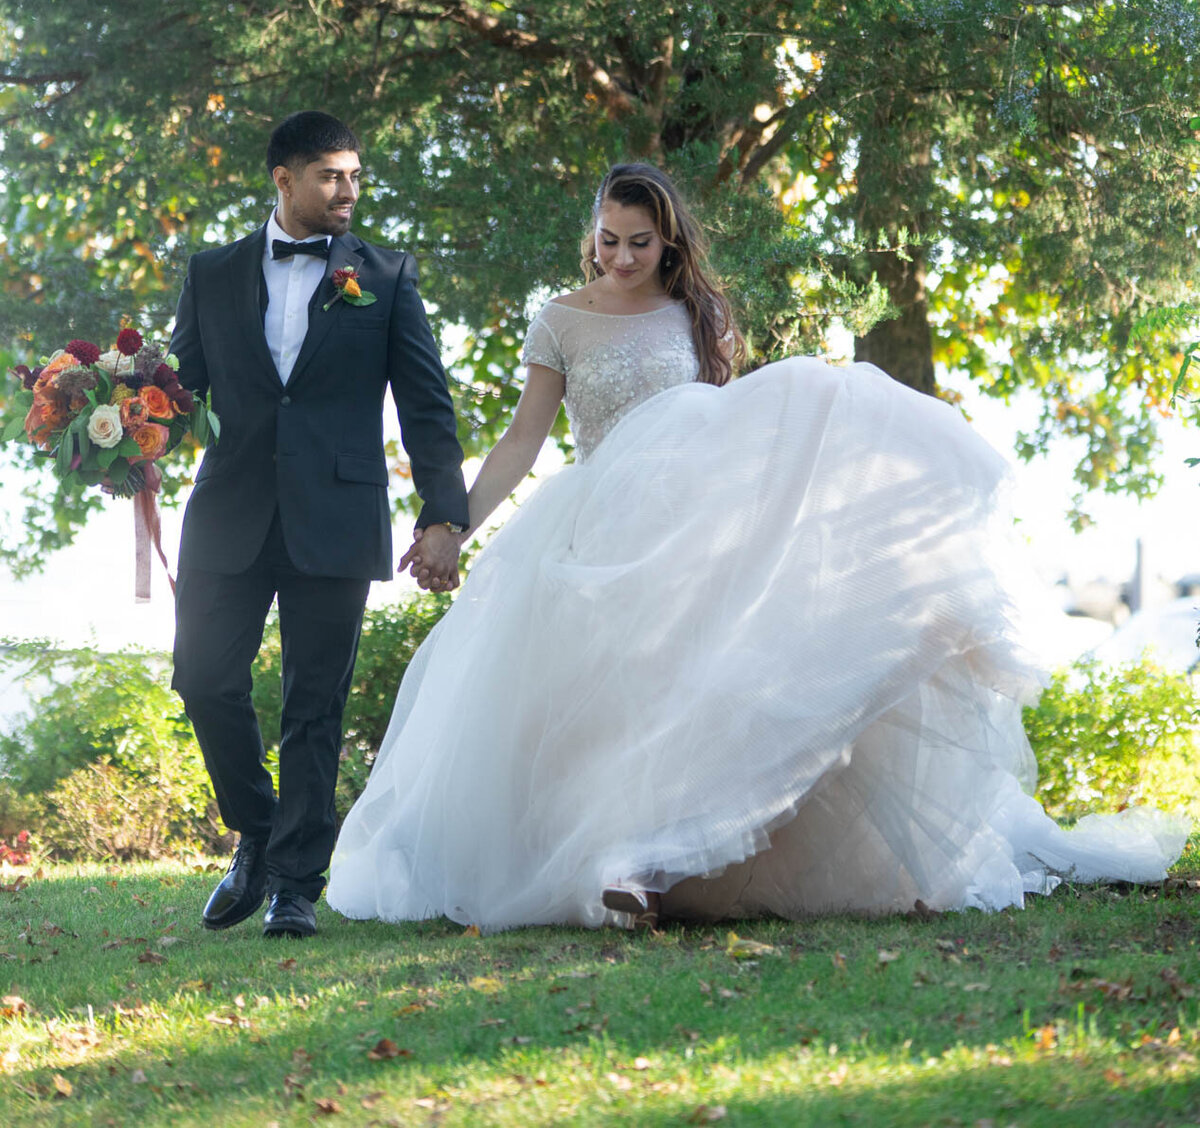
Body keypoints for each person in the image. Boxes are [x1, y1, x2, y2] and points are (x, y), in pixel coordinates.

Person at [327, 163, 1187, 930]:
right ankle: (623, 860)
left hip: (693, 525)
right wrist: (452, 527)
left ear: (669, 243)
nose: (621, 258)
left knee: (697, 687)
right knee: (614, 698)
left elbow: (731, 425)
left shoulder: (692, 312)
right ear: (590, 236)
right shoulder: (561, 320)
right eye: (608, 241)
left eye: (640, 243)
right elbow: (522, 439)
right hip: (599, 523)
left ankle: (653, 860)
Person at [169, 110, 469, 938]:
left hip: (337, 514)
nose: (348, 191)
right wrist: (114, 429)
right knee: (202, 678)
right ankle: (261, 832)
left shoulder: (387, 275)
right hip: (228, 511)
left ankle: (295, 886)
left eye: (355, 176)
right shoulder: (212, 271)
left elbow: (426, 405)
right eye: (331, 175)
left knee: (314, 706)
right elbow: (178, 392)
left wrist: (443, 514)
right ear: (284, 180)